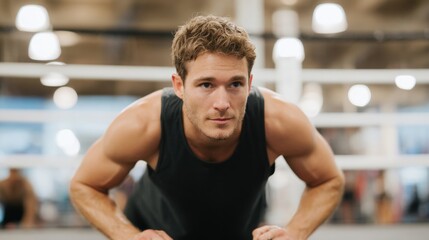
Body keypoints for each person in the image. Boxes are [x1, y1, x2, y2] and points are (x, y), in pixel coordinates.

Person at [69, 15, 344, 240]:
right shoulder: (143, 123)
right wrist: (127, 236)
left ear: (249, 83)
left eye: (235, 84)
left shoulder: (278, 121)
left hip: (238, 231)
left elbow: (328, 180)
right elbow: (85, 185)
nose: (222, 103)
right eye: (206, 85)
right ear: (179, 86)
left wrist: (295, 233)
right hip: (152, 228)